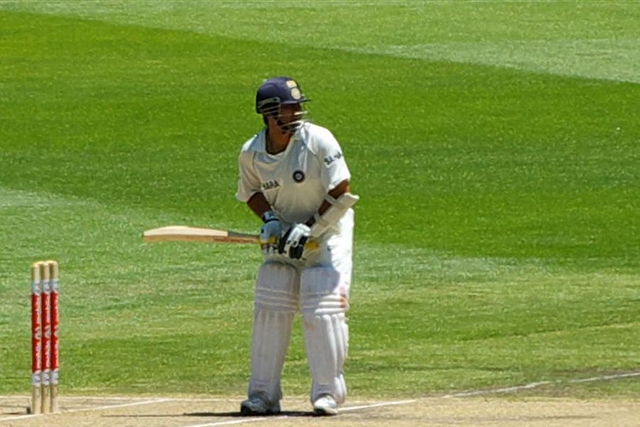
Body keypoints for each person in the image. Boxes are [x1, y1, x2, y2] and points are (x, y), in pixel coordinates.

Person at [235, 76, 357, 416]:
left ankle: (327, 392)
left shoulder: (318, 140)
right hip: (285, 234)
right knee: (272, 294)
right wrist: (271, 221)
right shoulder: (251, 153)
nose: (298, 111)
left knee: (321, 303)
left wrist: (311, 228)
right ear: (271, 114)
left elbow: (342, 189)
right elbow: (251, 193)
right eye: (291, 107)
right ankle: (262, 393)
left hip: (328, 233)